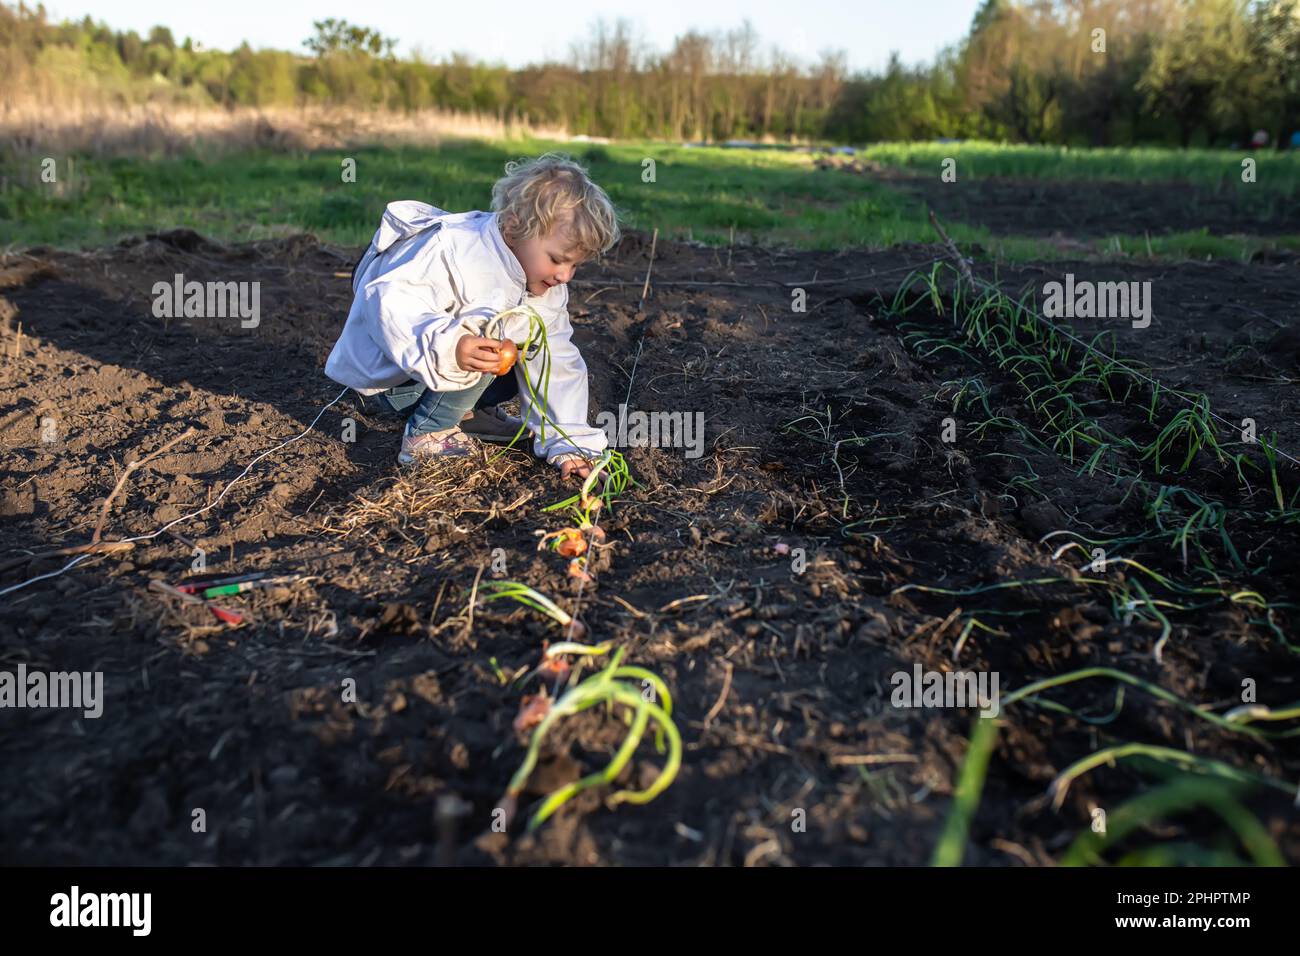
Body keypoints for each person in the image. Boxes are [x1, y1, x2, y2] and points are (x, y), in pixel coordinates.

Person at [324, 154, 620, 480]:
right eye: (556, 259)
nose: (565, 275)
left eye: (575, 265)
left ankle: (468, 414)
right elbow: (387, 303)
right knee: (487, 341)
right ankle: (428, 433)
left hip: (437, 381)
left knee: (531, 345)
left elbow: (557, 365)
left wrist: (569, 444)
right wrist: (452, 346)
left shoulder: (543, 287)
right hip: (393, 380)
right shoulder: (453, 250)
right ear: (514, 225)